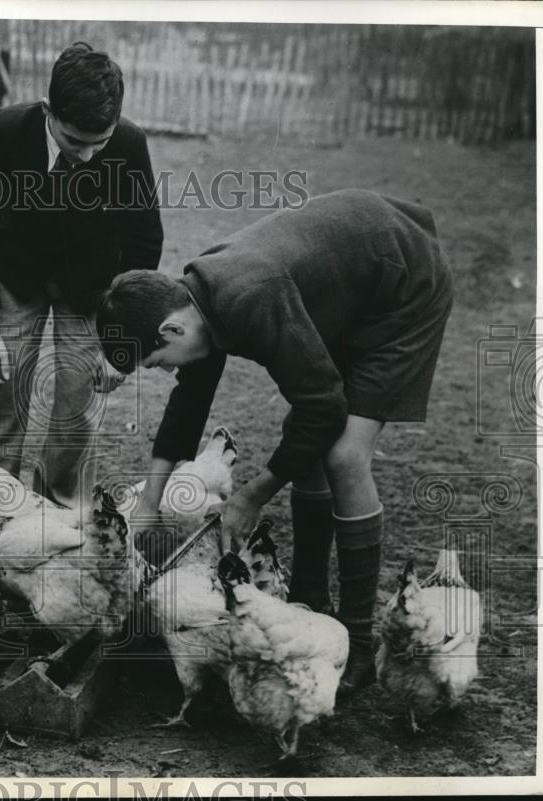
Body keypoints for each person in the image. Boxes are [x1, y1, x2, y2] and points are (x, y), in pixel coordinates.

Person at [95, 189, 453, 695]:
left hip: (402, 282)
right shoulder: (196, 302)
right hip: (350, 283)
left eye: (160, 361)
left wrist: (250, 497)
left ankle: (359, 638)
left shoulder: (248, 297)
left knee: (343, 454)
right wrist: (150, 503)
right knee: (305, 440)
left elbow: (323, 407)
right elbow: (190, 403)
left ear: (171, 328)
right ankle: (310, 591)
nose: (169, 369)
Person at [0, 42, 163, 512]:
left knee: (79, 399)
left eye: (100, 142)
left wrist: (121, 344)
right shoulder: (8, 129)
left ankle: (58, 508)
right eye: (74, 141)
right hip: (17, 276)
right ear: (49, 111)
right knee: (0, 389)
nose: (88, 155)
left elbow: (144, 242)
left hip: (91, 290)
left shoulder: (130, 144)